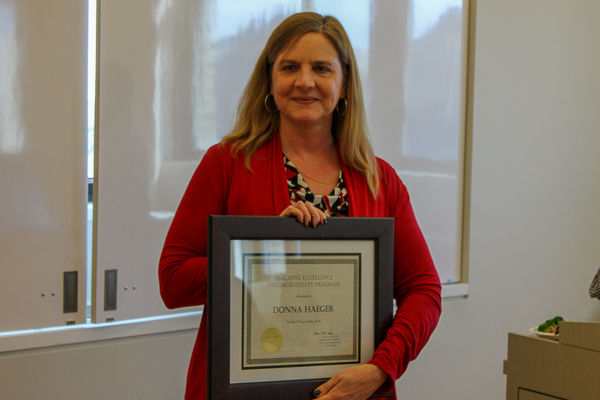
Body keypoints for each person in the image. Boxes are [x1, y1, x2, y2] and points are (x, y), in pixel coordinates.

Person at [159, 12, 441, 400]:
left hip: (353, 392)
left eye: (322, 68)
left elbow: (423, 290)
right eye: (289, 67)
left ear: (343, 86)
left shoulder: (380, 180)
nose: (305, 81)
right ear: (270, 81)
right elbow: (173, 281)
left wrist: (381, 369)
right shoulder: (226, 163)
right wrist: (264, 250)